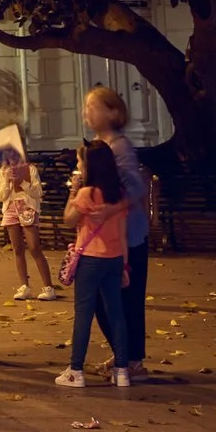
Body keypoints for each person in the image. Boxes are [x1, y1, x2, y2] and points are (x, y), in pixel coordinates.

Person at [82, 86, 156, 380]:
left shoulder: (120, 147)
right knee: (104, 298)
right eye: (85, 106)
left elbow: (136, 188)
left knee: (126, 299)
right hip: (106, 236)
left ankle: (133, 361)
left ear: (113, 112)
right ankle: (123, 355)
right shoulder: (99, 147)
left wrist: (110, 210)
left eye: (93, 106)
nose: (87, 112)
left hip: (128, 236)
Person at [55, 139, 132, 388]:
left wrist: (72, 190)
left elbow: (68, 220)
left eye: (80, 161)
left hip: (90, 261)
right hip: (114, 259)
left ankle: (76, 370)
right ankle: (122, 370)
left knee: (83, 314)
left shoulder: (87, 194)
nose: (78, 165)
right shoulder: (117, 193)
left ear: (90, 165)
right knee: (116, 313)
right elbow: (122, 234)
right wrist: (124, 266)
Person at [0, 151, 57, 302]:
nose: (11, 156)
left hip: (27, 208)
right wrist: (8, 181)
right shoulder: (2, 172)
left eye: (14, 152)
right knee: (17, 249)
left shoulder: (30, 169)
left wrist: (22, 182)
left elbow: (38, 193)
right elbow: (1, 196)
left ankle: (48, 287)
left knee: (34, 248)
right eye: (8, 153)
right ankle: (24, 286)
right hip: (11, 209)